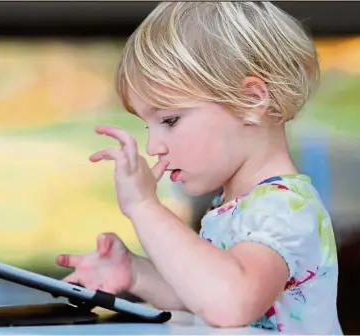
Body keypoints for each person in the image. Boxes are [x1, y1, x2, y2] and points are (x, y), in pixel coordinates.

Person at [56, 2, 341, 333]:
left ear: (251, 100)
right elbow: (202, 295)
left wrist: (144, 206)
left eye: (170, 120)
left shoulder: (285, 208)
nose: (153, 147)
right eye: (149, 126)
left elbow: (230, 303)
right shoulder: (233, 207)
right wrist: (137, 274)